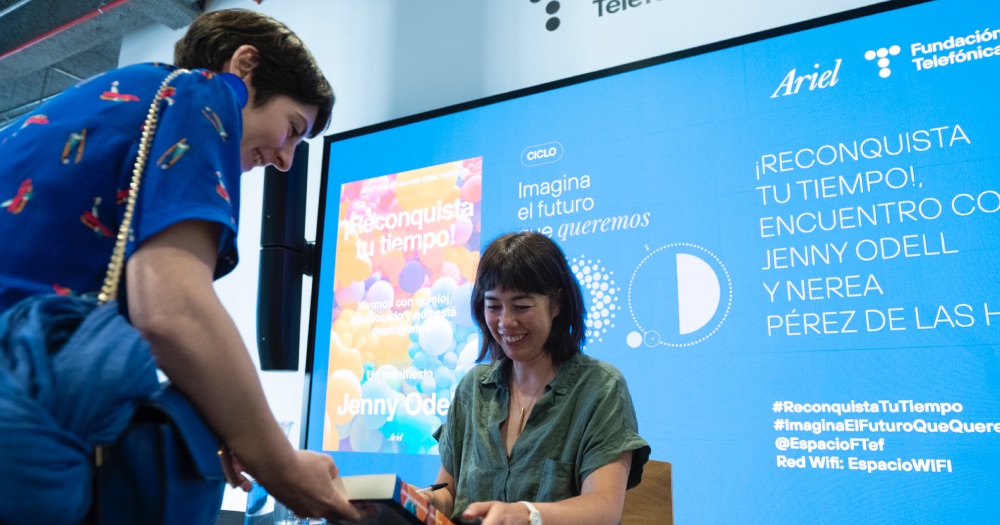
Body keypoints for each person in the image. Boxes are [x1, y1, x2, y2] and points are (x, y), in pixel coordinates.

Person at [0, 9, 360, 523]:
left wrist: (234, 427)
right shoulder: (202, 93)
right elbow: (173, 311)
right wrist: (280, 464)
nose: (285, 160)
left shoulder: (114, 96)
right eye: (292, 129)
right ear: (245, 67)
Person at [430, 231, 651, 525]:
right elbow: (448, 493)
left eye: (521, 306)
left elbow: (604, 508)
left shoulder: (600, 388)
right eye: (493, 306)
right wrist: (420, 500)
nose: (505, 321)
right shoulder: (473, 387)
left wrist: (529, 514)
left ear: (556, 303)